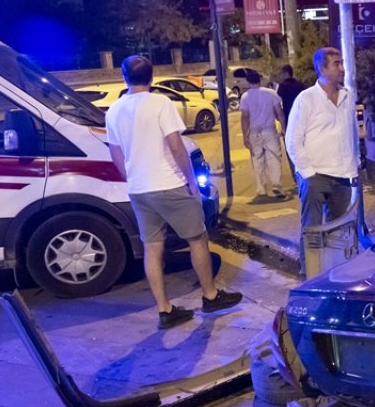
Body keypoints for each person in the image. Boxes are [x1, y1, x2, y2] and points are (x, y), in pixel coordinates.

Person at [104, 55, 242, 328]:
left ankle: (165, 310)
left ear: (124, 77)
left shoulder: (114, 111)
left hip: (139, 190)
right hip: (168, 184)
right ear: (152, 76)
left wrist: (131, 179)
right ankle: (210, 295)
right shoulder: (161, 103)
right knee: (197, 239)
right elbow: (177, 147)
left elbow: (115, 154)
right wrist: (191, 182)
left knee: (152, 249)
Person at [286, 47, 358, 277]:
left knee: (338, 231)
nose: (342, 68)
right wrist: (307, 173)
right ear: (322, 68)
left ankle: (333, 274)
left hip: (343, 175)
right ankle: (310, 276)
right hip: (316, 175)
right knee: (313, 230)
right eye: (336, 64)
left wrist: (354, 165)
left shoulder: (348, 96)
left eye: (341, 63)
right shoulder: (306, 99)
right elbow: (293, 139)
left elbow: (352, 133)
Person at [239, 69, 287, 199]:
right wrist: (283, 128)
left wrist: (245, 135)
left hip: (254, 132)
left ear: (248, 81)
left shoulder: (245, 97)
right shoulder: (271, 93)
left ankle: (261, 188)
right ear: (259, 79)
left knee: (257, 159)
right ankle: (276, 184)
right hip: (269, 130)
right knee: (274, 157)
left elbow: (245, 117)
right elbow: (279, 112)